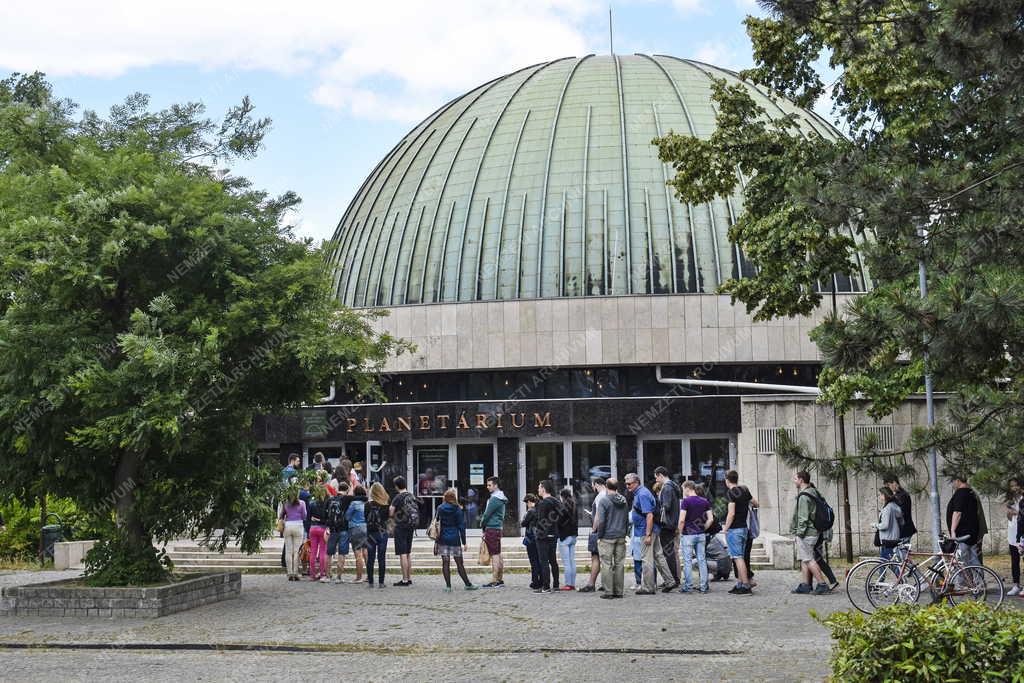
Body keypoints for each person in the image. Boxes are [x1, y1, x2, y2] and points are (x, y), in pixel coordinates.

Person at [624, 472, 672, 595]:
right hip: (651, 529)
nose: (627, 486)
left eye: (629, 484)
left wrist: (648, 535)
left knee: (647, 560)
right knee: (659, 556)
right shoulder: (641, 492)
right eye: (626, 484)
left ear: (636, 483)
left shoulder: (642, 494)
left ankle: (649, 587)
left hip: (646, 531)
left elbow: (649, 515)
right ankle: (669, 581)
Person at [790, 471, 831, 595]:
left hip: (807, 532)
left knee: (808, 559)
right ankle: (806, 585)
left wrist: (799, 533)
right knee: (804, 558)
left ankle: (822, 584)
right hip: (814, 531)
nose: (794, 481)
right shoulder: (814, 492)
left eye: (795, 478)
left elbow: (803, 518)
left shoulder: (804, 496)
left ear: (801, 480)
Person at [434, 489, 478, 592]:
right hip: (454, 538)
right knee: (459, 563)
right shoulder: (457, 509)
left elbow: (436, 522)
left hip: (443, 538)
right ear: (454, 498)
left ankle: (448, 586)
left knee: (445, 562)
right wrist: (464, 542)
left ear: (445, 498)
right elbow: (461, 527)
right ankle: (468, 584)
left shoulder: (440, 508)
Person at [722, 470, 757, 595]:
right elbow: (756, 503)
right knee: (740, 556)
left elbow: (731, 513)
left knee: (738, 558)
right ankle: (740, 583)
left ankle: (745, 585)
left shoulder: (731, 493)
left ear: (727, 480)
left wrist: (725, 529)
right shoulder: (745, 490)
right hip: (744, 528)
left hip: (735, 529)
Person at [594, 478, 629, 599]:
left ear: (607, 487)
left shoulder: (604, 500)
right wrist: (625, 533)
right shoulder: (624, 500)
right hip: (620, 536)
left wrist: (599, 536)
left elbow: (601, 521)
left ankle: (608, 592)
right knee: (619, 564)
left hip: (607, 537)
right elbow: (626, 519)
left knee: (607, 564)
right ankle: (619, 591)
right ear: (617, 487)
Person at [678, 480, 713, 594]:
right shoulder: (704, 501)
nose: (683, 491)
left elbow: (682, 519)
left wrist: (679, 532)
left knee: (687, 561)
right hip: (701, 534)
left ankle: (688, 586)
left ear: (688, 488)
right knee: (702, 560)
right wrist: (703, 528)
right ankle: (704, 586)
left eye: (683, 489)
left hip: (688, 535)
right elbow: (710, 519)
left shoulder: (685, 502)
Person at [654, 467, 681, 590]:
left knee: (667, 553)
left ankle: (672, 579)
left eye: (656, 477)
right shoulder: (674, 486)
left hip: (667, 524)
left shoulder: (667, 487)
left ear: (660, 475)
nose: (656, 480)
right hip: (672, 523)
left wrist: (658, 514)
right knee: (669, 552)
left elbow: (666, 506)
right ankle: (673, 578)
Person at [947, 474, 982, 566]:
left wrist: (953, 530)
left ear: (957, 481)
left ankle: (962, 580)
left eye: (953, 482)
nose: (952, 485)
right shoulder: (971, 493)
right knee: (973, 558)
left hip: (962, 533)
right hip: (972, 532)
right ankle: (978, 579)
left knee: (962, 561)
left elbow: (958, 512)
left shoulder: (961, 493)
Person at [389, 476, 417, 587]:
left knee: (402, 553)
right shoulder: (411, 495)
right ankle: (409, 578)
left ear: (396, 486)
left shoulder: (398, 497)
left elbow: (391, 512)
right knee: (408, 553)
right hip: (410, 526)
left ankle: (404, 579)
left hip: (400, 526)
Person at [580, 478, 607, 593]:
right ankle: (607, 583)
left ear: (596, 484)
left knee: (595, 557)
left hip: (599, 530)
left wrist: (593, 529)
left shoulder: (600, 496)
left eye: (593, 485)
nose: (593, 488)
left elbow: (599, 515)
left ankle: (591, 584)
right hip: (608, 530)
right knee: (607, 559)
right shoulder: (610, 494)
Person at [534, 479, 561, 593]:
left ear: (544, 489)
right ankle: (556, 584)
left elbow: (540, 520)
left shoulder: (543, 503)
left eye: (539, 487)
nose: (538, 489)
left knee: (544, 561)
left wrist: (538, 534)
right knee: (553, 560)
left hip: (543, 536)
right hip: (553, 534)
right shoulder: (557, 501)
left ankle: (546, 586)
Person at [480, 476, 507, 588]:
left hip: (491, 528)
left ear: (495, 485)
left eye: (490, 485)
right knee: (498, 554)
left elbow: (487, 515)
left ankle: (495, 580)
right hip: (497, 528)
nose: (488, 487)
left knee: (494, 554)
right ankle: (499, 579)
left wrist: (482, 525)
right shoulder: (501, 498)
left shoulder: (495, 499)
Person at [325, 481, 354, 584]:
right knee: (342, 554)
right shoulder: (346, 499)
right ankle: (338, 577)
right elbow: (353, 494)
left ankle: (327, 576)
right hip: (344, 530)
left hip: (332, 530)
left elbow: (326, 514)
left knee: (329, 553)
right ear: (346, 490)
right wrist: (351, 486)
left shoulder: (330, 500)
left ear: (337, 489)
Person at [278, 485, 306, 581]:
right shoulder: (302, 503)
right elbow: (304, 515)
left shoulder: (285, 503)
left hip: (288, 526)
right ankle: (295, 573)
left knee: (288, 551)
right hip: (298, 525)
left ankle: (289, 573)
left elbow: (281, 515)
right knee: (297, 551)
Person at [365, 482, 390, 588]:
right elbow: (388, 519)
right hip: (382, 532)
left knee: (370, 558)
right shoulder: (386, 504)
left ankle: (370, 581)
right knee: (381, 557)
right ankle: (381, 582)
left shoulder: (367, 505)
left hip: (370, 533)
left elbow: (365, 518)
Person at [872, 487, 903, 562]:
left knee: (885, 563)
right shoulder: (894, 506)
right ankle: (884, 573)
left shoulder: (887, 508)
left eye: (880, 494)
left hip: (887, 539)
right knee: (886, 562)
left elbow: (885, 525)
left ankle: (897, 573)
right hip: (893, 537)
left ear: (884, 495)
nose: (879, 496)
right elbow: (901, 522)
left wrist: (875, 525)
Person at [306, 484, 330, 582]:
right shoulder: (327, 503)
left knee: (313, 551)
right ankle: (322, 573)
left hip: (313, 528)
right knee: (323, 551)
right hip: (323, 529)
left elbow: (308, 518)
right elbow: (327, 518)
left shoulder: (312, 503)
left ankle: (312, 574)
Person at [883, 474, 917, 542]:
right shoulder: (899, 495)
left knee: (901, 551)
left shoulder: (901, 496)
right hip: (903, 530)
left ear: (894, 483)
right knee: (902, 551)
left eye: (888, 485)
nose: (888, 489)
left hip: (903, 531)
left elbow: (900, 514)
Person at [346, 485, 368, 583]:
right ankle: (369, 575)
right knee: (366, 553)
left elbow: (347, 516)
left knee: (358, 554)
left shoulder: (354, 503)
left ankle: (359, 577)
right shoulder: (367, 503)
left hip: (355, 528)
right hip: (366, 528)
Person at [557, 488, 578, 590]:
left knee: (566, 562)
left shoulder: (563, 507)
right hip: (573, 536)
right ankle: (572, 583)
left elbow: (559, 522)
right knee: (572, 560)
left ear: (562, 496)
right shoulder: (574, 505)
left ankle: (568, 584)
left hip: (564, 537)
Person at [1005, 477, 1023, 596]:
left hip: (1022, 533)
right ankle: (1016, 585)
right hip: (1012, 533)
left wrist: (1016, 512)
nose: (1014, 488)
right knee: (1014, 560)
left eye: (1015, 485)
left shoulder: (1022, 498)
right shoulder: (1011, 500)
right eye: (1011, 486)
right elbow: (1009, 518)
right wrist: (1009, 513)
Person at [522, 494, 542, 589]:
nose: (526, 505)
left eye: (526, 503)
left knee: (533, 561)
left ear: (529, 502)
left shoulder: (531, 511)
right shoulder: (539, 509)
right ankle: (541, 580)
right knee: (539, 560)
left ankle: (535, 582)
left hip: (531, 538)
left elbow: (523, 523)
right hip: (538, 537)